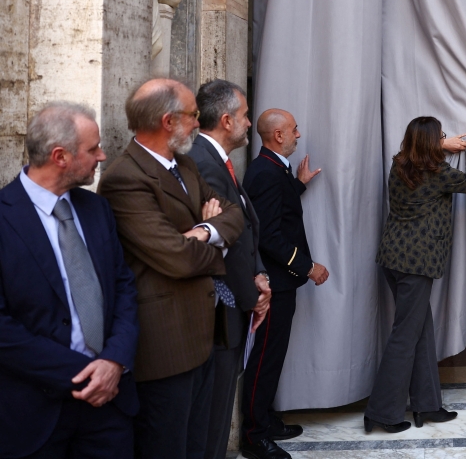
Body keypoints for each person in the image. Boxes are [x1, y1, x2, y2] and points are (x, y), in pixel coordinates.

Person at [98, 78, 245, 459]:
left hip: (203, 335)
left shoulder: (186, 164)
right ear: (168, 122)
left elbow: (233, 215)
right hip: (166, 346)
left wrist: (202, 231)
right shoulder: (125, 178)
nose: (198, 122)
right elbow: (177, 258)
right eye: (193, 115)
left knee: (197, 447)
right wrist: (214, 243)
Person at [0, 103, 139, 458]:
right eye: (93, 149)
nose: (102, 156)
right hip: (32, 414)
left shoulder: (97, 209)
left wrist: (114, 362)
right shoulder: (4, 217)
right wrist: (86, 374)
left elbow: (123, 287)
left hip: (108, 409)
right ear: (60, 156)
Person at [364, 117, 466, 433]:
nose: (444, 139)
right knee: (405, 337)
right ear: (432, 143)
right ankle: (381, 413)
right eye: (440, 136)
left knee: (420, 332)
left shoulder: (399, 164)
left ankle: (427, 405)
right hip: (416, 264)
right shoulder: (438, 173)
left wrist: (439, 143)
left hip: (393, 257)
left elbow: (420, 151)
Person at [189, 80, 272, 459]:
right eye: (244, 115)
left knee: (219, 412)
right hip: (221, 310)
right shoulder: (204, 163)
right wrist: (252, 294)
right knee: (210, 418)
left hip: (235, 299)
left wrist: (260, 273)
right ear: (226, 120)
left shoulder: (218, 160)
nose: (249, 123)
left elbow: (245, 227)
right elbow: (229, 241)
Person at [240, 109, 328, 459]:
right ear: (278, 135)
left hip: (280, 283)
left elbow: (277, 208)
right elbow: (268, 235)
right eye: (294, 130)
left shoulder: (274, 168)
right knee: (264, 358)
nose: (298, 135)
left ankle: (265, 419)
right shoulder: (266, 172)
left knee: (273, 356)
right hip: (273, 285)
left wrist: (298, 185)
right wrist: (308, 267)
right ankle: (254, 435)